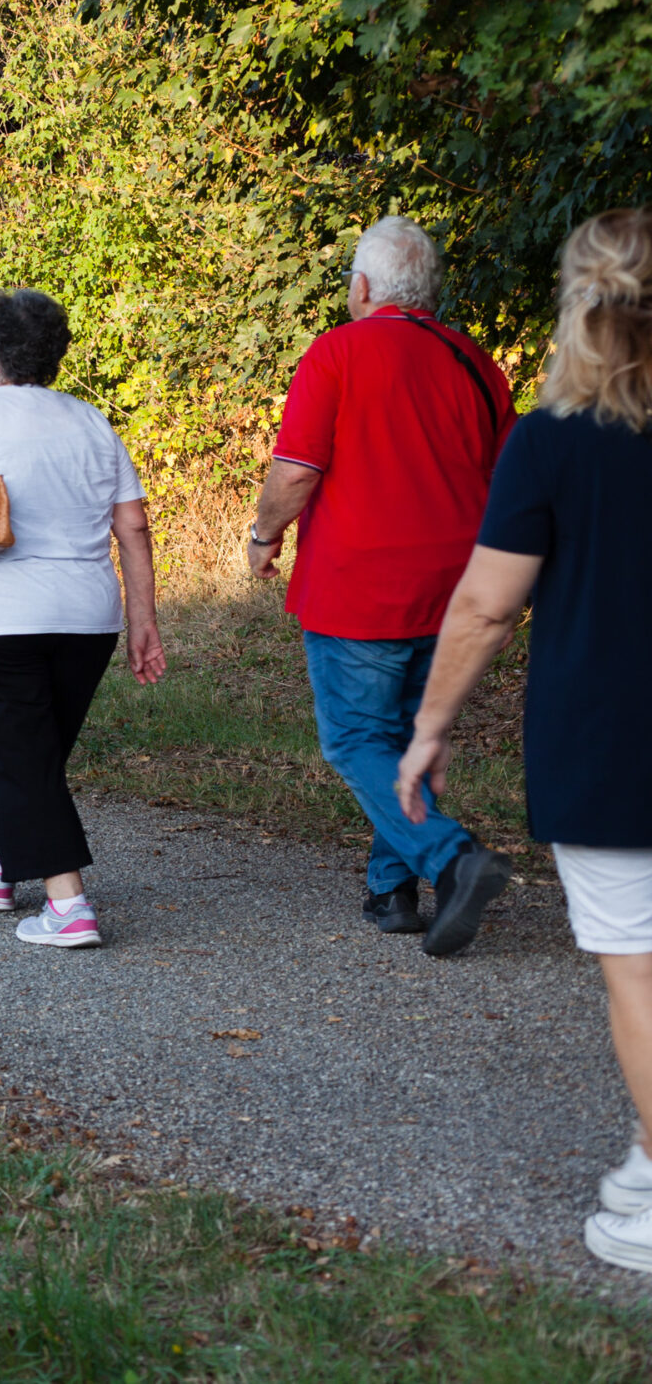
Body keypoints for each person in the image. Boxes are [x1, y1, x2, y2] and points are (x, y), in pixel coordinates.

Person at [395, 210, 652, 1270]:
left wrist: (429, 727)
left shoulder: (549, 442)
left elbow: (487, 604)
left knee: (638, 969)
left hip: (609, 743)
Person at [250, 215, 517, 951]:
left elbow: (296, 471)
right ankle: (391, 890)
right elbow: (510, 482)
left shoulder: (337, 351)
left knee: (355, 739)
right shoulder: (475, 362)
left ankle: (452, 857)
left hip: (359, 587)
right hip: (457, 588)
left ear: (363, 286)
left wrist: (264, 535)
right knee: (407, 737)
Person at [0, 288, 163, 948]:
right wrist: (144, 620)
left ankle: (68, 905)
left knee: (20, 755)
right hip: (87, 617)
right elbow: (133, 526)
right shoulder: (92, 421)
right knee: (29, 754)